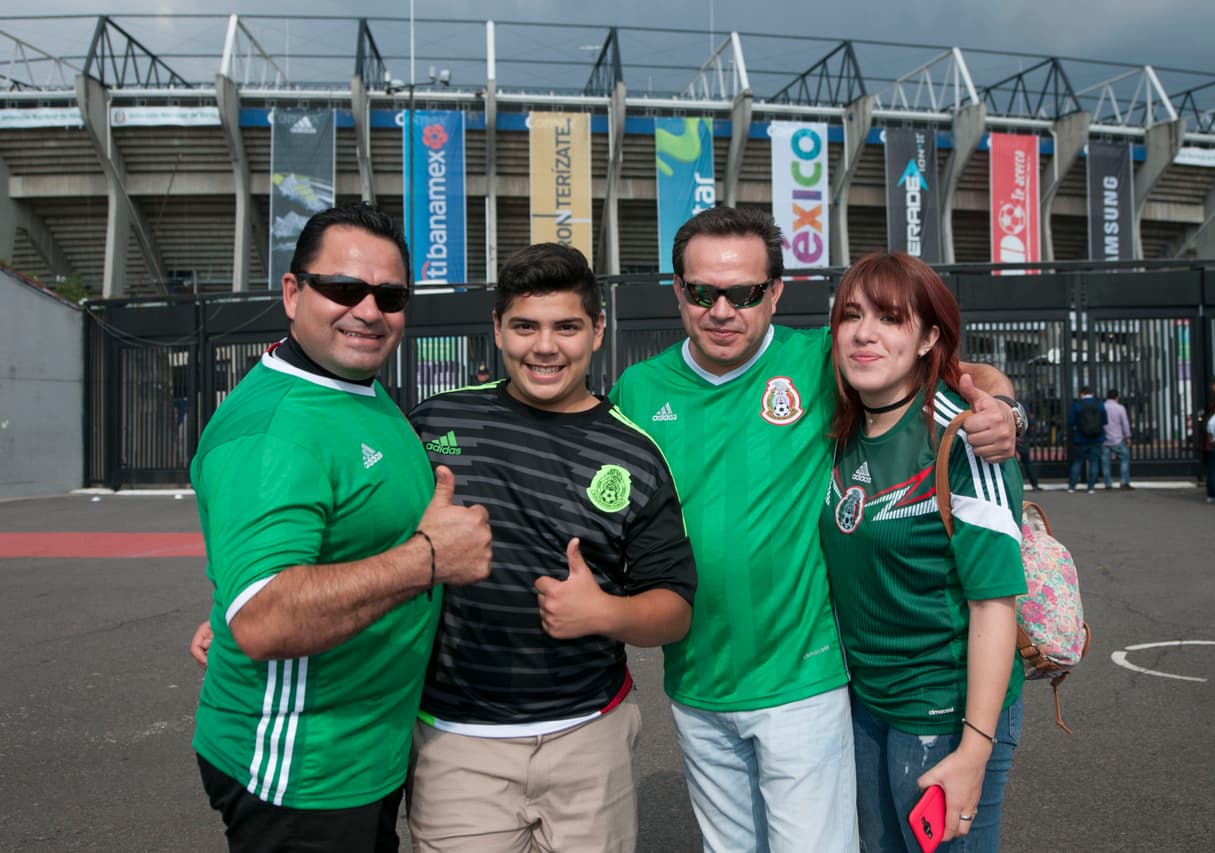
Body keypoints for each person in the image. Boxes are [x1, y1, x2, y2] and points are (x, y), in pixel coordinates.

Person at [608, 206, 1020, 853]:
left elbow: (922, 362)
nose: (722, 309)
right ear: (677, 289)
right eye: (701, 291)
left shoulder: (820, 363)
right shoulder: (637, 389)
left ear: (775, 291)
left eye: (743, 292)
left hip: (806, 682)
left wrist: (999, 401)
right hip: (696, 685)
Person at [188, 202, 492, 853]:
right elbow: (268, 618)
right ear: (294, 293)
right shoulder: (275, 430)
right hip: (303, 772)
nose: (368, 309)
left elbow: (297, 559)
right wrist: (432, 558)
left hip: (365, 752)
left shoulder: (352, 385)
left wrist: (235, 598)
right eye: (344, 289)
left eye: (389, 294)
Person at [404, 243, 697, 853]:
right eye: (525, 327)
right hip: (457, 742)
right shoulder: (433, 425)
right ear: (498, 331)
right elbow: (352, 536)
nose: (545, 346)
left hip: (590, 738)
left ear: (596, 330)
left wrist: (604, 614)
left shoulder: (636, 452)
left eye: (566, 327)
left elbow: (674, 608)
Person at [818, 251, 1025, 852]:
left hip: (946, 710)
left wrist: (974, 750)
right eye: (851, 315)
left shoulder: (965, 439)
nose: (864, 333)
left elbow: (995, 607)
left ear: (930, 335)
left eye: (890, 318)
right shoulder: (843, 428)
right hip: (865, 703)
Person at [1066, 386, 1107, 493]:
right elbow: (1105, 421)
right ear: (1092, 393)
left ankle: (1072, 486)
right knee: (1094, 462)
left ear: (1082, 394)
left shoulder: (1077, 405)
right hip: (1097, 438)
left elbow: (1071, 421)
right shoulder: (1099, 404)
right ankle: (1091, 487)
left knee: (1078, 462)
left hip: (1080, 438)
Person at [1101, 388, 1133, 490]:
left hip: (1104, 439)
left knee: (1105, 462)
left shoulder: (1102, 407)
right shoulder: (1120, 408)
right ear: (1117, 397)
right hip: (1117, 439)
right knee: (1124, 459)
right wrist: (1128, 437)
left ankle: (1108, 484)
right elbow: (1125, 424)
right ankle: (1124, 483)